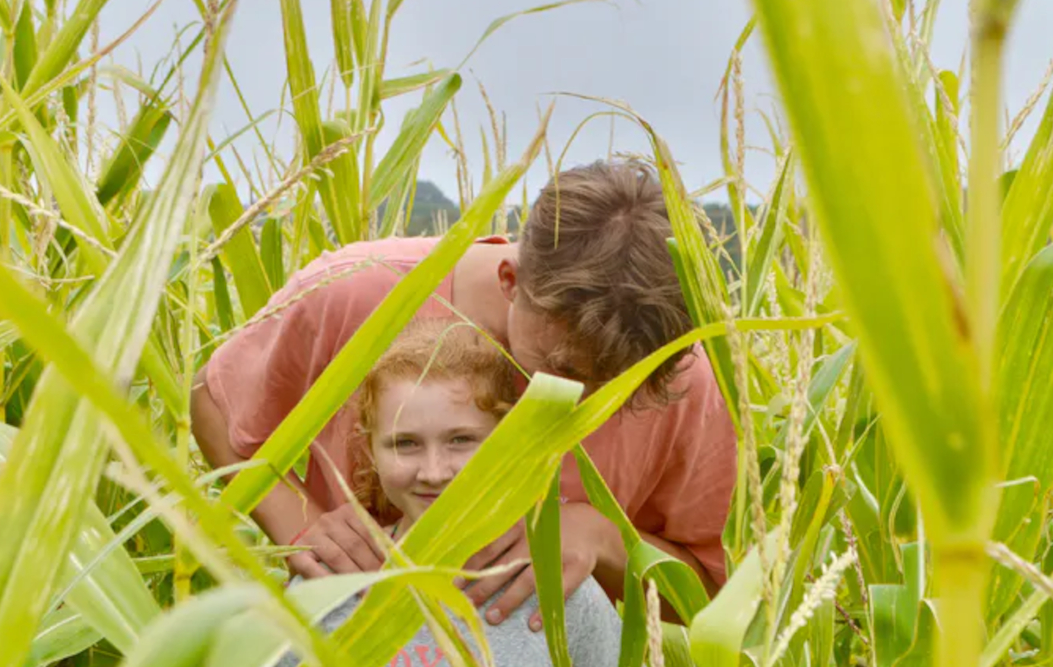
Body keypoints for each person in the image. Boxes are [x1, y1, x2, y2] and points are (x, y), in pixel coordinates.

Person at [191, 160, 737, 631]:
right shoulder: (359, 291)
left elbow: (711, 593)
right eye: (562, 372)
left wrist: (605, 539)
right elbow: (216, 403)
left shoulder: (677, 374)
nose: (583, 404)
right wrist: (302, 526)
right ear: (510, 280)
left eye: (617, 390)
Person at [278, 318, 622, 667]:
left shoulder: (560, 591)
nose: (434, 472)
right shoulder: (325, 589)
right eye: (405, 443)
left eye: (461, 440)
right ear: (369, 451)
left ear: (506, 442)